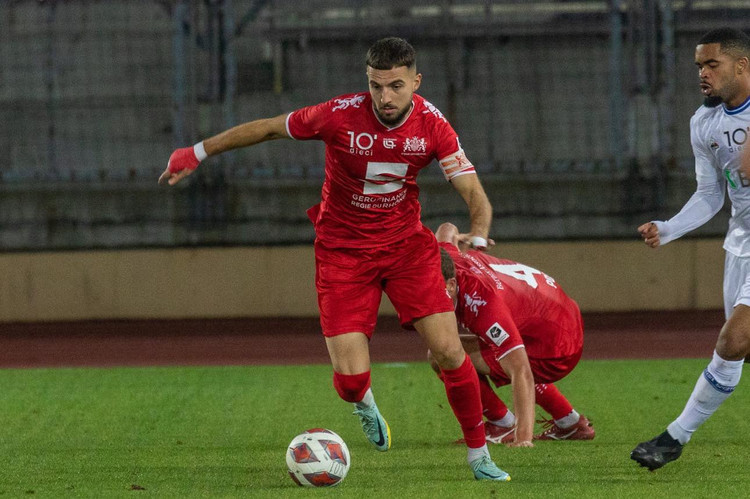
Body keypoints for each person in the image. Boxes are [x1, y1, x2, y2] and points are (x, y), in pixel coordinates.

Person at [159, 37, 510, 481]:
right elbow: (268, 127)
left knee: (448, 350)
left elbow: (474, 192)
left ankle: (479, 457)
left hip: (405, 248)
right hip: (342, 254)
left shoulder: (433, 125)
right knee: (348, 381)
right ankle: (364, 403)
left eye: (396, 86)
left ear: (415, 82)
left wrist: (477, 233)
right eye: (376, 86)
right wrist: (197, 152)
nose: (385, 97)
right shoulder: (338, 114)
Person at [631, 27, 750, 471]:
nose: (702, 73)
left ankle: (672, 438)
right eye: (699, 65)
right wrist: (669, 228)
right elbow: (709, 193)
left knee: (732, 340)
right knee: (743, 349)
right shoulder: (704, 122)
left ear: (741, 65)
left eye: (711, 64)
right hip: (740, 244)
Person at [430, 222, 594, 447]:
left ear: (450, 286)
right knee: (480, 350)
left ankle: (504, 425)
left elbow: (520, 369)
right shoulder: (447, 259)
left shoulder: (482, 303)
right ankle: (570, 422)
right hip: (558, 315)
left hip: (559, 346)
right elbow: (446, 229)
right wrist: (465, 237)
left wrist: (523, 438)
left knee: (443, 354)